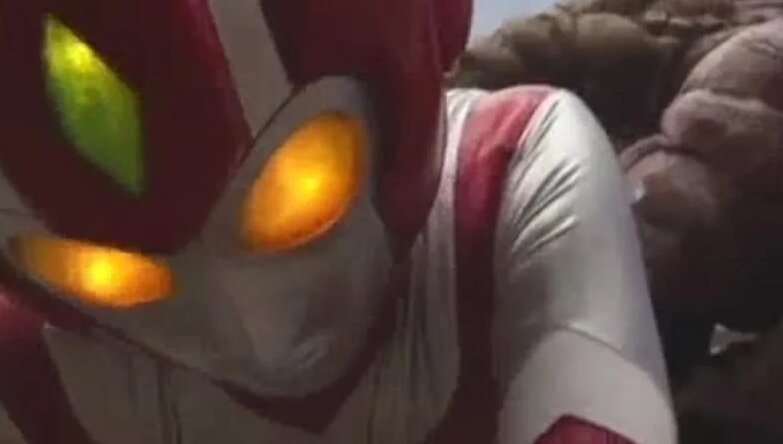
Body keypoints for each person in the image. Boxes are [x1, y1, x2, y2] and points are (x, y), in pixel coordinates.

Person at [0, 0, 675, 442]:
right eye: (114, 277)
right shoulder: (40, 365)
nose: (253, 330)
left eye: (298, 194)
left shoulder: (505, 175)